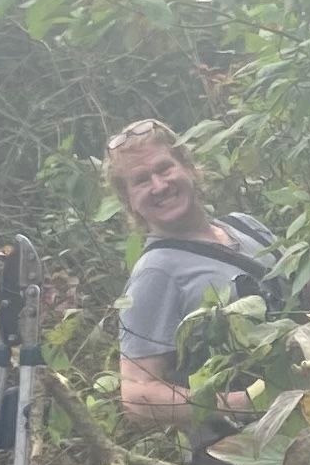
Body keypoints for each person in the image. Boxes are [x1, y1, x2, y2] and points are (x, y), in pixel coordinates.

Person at [106, 121, 281, 432]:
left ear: (188, 167)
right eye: (141, 180)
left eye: (164, 168)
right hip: (251, 455)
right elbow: (137, 396)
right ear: (129, 201)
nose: (159, 186)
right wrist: (247, 403)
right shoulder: (155, 271)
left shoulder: (245, 225)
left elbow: (308, 286)